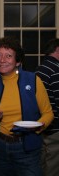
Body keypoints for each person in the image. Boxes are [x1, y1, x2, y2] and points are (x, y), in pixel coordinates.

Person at [0, 36, 54, 176]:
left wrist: (37, 127)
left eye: (8, 56)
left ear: (17, 61)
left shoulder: (33, 81)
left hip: (27, 148)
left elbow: (48, 113)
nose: (2, 60)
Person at [36, 38, 59, 176]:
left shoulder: (39, 69)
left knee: (44, 163)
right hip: (56, 127)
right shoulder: (56, 70)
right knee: (53, 168)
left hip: (42, 125)